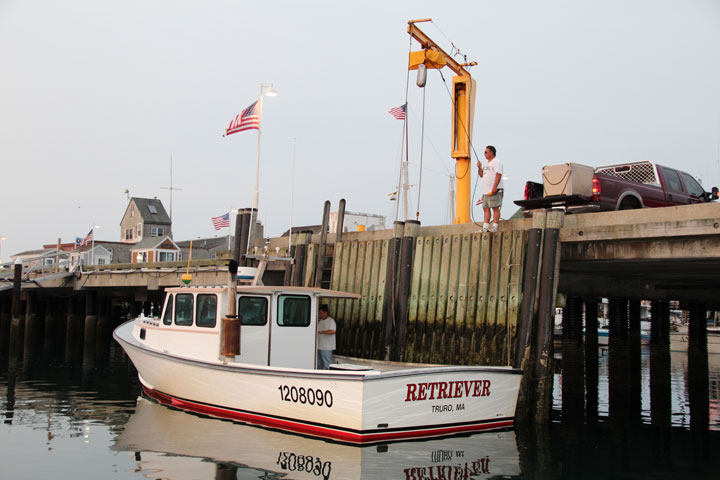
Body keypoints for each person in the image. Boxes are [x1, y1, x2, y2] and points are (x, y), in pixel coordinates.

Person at [476, 145, 503, 232]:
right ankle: (485, 227)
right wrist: (479, 167)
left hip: (495, 190)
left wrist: (495, 187)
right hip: (486, 191)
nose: (484, 154)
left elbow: (498, 175)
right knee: (486, 208)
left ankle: (495, 226)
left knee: (495, 207)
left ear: (491, 152)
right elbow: (481, 175)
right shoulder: (485, 163)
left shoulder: (497, 162)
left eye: (486, 152)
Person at [316, 304, 336, 369]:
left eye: (321, 313)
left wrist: (322, 332)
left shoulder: (331, 321)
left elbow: (332, 331)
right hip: (319, 346)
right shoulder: (320, 321)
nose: (320, 315)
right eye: (319, 313)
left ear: (326, 313)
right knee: (319, 364)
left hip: (327, 348)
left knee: (327, 364)